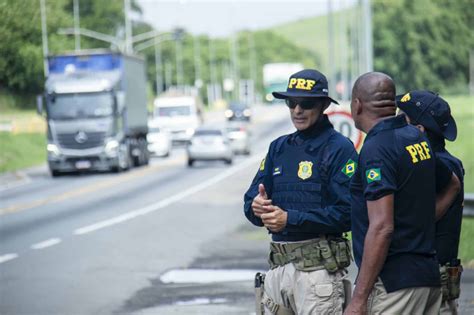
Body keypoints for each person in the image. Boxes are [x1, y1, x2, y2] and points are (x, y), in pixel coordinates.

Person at [244, 69, 358, 314]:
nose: (297, 110)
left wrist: (290, 219)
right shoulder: (279, 147)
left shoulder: (339, 149)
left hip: (318, 275)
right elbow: (250, 203)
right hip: (277, 273)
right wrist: (257, 207)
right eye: (291, 102)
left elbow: (349, 213)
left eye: (306, 103)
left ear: (324, 104)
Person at [344, 72, 449, 315]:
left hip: (395, 287)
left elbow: (382, 227)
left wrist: (359, 299)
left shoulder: (376, 149)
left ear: (357, 105)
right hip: (426, 277)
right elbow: (452, 182)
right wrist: (421, 221)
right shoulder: (415, 137)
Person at [396, 90, 464, 315]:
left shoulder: (439, 167)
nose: (394, 124)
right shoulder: (439, 162)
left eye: (401, 118)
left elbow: (423, 219)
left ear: (419, 130)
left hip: (434, 282)